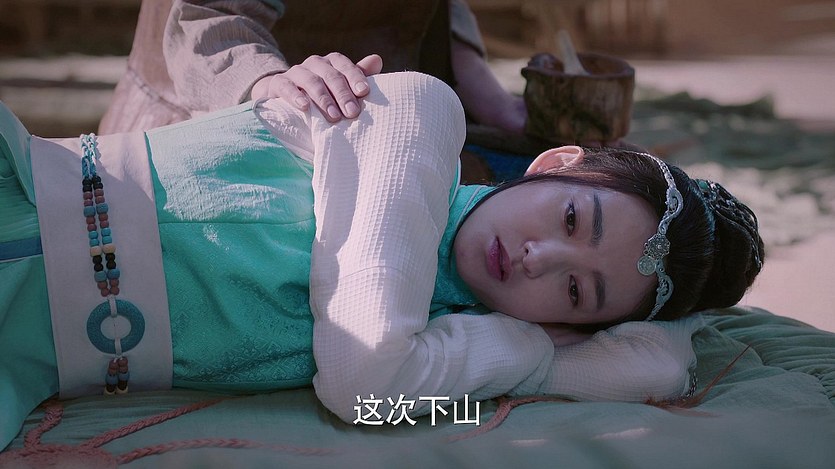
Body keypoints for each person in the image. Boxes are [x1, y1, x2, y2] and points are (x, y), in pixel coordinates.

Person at [0, 71, 763, 445]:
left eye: (576, 290)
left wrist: (538, 362)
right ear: (556, 161)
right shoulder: (414, 115)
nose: (540, 257)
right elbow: (363, 377)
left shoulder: (440, 355)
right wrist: (541, 345)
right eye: (571, 217)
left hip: (18, 362)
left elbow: (372, 405)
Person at [98, 0, 527, 136]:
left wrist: (471, 73)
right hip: (204, 121)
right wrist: (268, 83)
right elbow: (208, 16)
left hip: (371, 124)